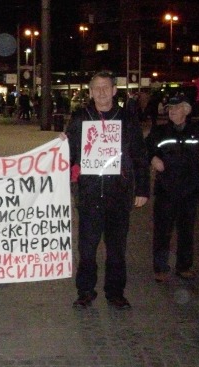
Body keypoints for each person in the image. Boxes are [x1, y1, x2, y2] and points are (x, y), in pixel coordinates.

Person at [63, 71, 150, 310]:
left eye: (106, 87)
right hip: (89, 194)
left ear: (114, 91)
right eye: (96, 88)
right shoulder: (81, 117)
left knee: (116, 249)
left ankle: (115, 292)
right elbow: (69, 153)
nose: (101, 92)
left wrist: (142, 188)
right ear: (90, 92)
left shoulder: (127, 119)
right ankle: (85, 291)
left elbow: (140, 156)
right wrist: (60, 144)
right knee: (87, 249)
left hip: (119, 194)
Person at [145, 95, 199, 283]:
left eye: (177, 108)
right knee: (163, 231)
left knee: (186, 230)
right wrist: (153, 159)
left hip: (190, 189)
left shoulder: (198, 131)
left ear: (186, 110)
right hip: (166, 189)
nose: (172, 111)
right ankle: (160, 268)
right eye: (170, 108)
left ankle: (184, 266)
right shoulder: (160, 131)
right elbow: (145, 149)